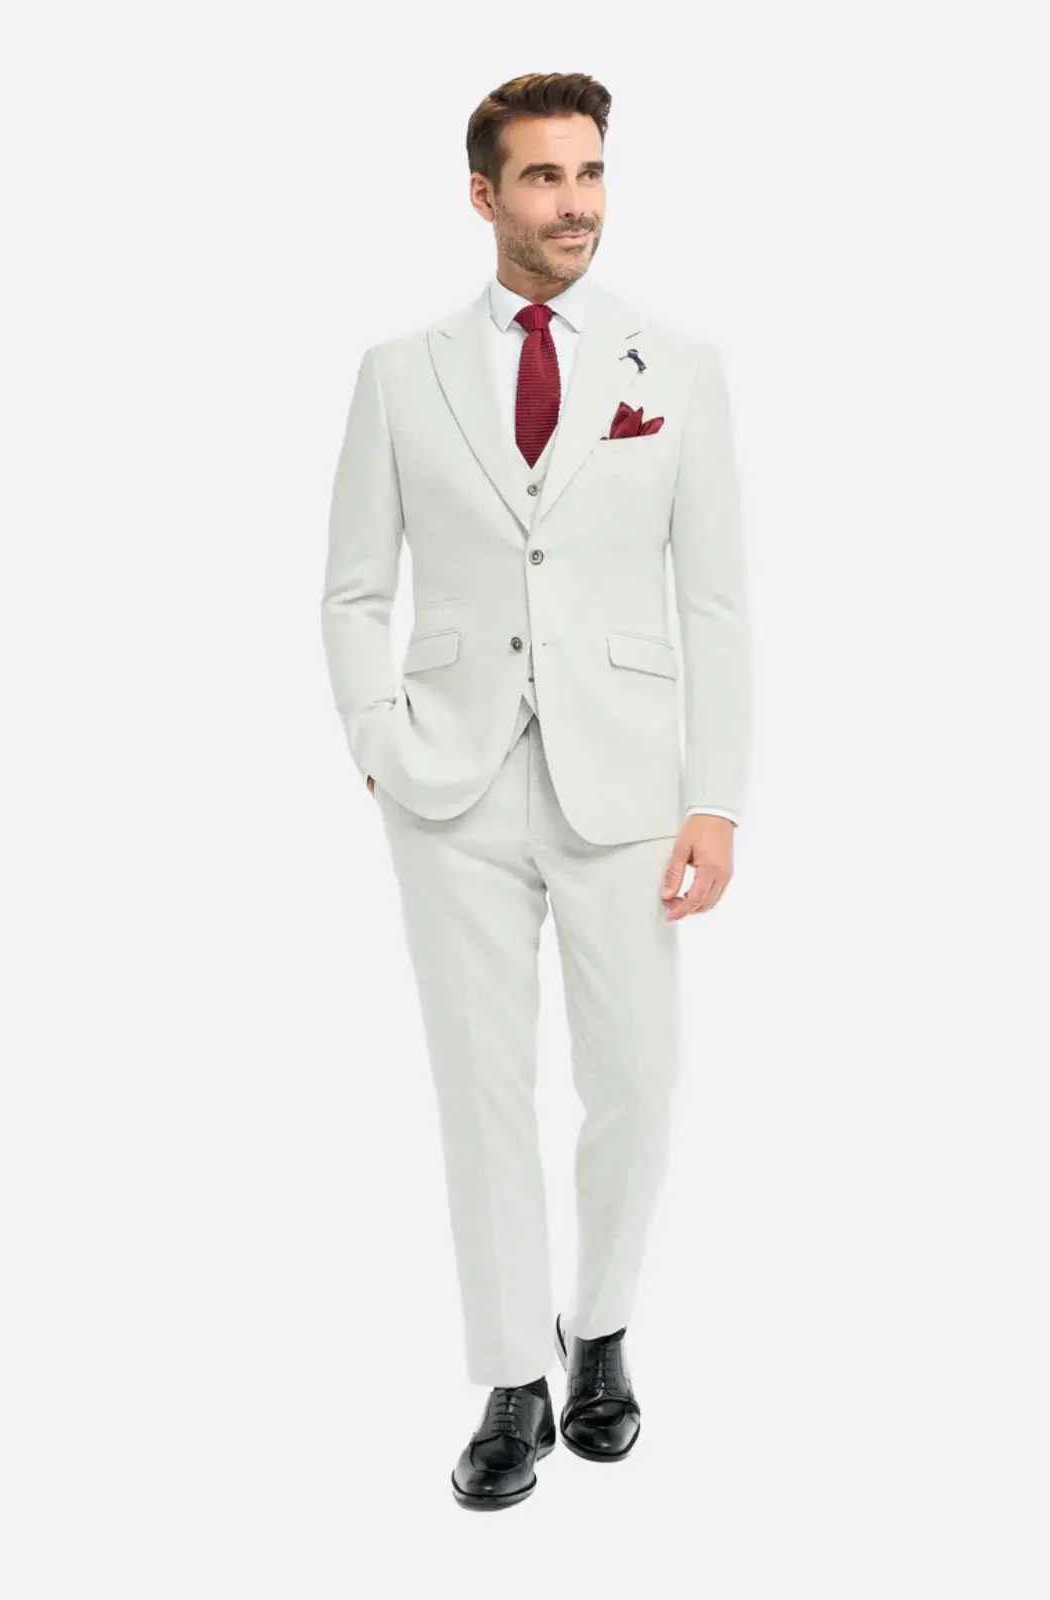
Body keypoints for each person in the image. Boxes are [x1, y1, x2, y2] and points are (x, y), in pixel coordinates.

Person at [320, 70, 751, 1510]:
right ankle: (513, 1376)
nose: (576, 204)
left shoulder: (674, 366)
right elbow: (353, 587)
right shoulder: (401, 372)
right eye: (545, 177)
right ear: (484, 194)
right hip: (447, 784)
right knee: (480, 1087)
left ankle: (601, 1330)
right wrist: (377, 740)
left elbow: (715, 604)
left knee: (637, 1078)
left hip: (626, 782)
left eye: (591, 172)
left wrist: (717, 795)